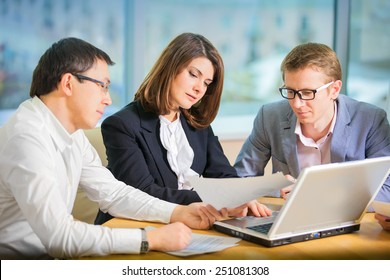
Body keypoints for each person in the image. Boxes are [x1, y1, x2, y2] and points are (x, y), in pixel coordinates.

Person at [0, 37, 227, 260]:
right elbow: (61, 238)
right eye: (102, 86)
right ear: (68, 83)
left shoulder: (71, 134)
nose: (108, 100)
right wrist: (150, 239)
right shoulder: (26, 138)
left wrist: (179, 212)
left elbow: (113, 193)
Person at [95, 33, 271, 225]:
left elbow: (223, 175)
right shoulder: (121, 125)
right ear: (170, 68)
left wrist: (240, 196)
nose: (199, 89)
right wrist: (216, 201)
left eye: (206, 83)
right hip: (136, 226)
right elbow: (143, 192)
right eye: (193, 74)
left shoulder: (197, 123)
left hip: (189, 223)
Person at [234, 42, 390, 203]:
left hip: (348, 224)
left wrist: (311, 192)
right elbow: (241, 179)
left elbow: (387, 189)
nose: (296, 103)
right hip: (290, 222)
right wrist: (273, 187)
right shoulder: (270, 117)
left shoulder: (370, 120)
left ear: (334, 89)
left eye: (307, 93)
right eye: (290, 91)